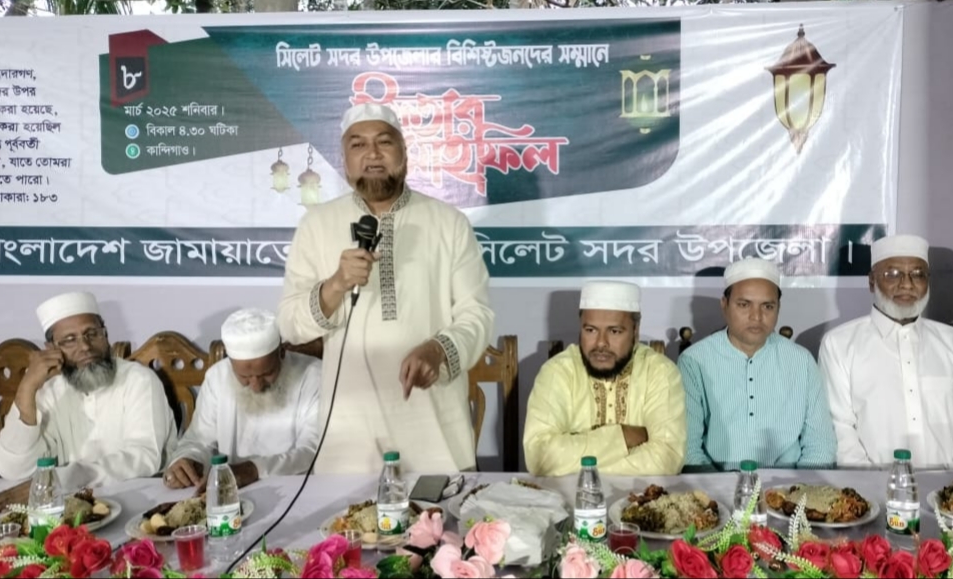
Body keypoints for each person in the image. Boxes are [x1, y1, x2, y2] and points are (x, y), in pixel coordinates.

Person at [278, 103, 494, 474]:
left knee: (441, 513)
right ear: (345, 162)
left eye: (384, 142)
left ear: (404, 153)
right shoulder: (316, 225)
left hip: (433, 431)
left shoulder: (449, 223)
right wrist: (336, 284)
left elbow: (477, 314)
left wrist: (438, 350)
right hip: (349, 438)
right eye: (358, 145)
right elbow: (290, 325)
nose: (373, 153)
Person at [819, 234, 953, 470]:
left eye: (918, 274)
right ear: (871, 281)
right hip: (870, 488)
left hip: (951, 489)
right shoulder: (839, 344)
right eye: (893, 274)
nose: (907, 284)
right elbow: (839, 429)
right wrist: (870, 485)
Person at [0, 291, 176, 488]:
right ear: (51, 349)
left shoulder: (139, 380)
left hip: (140, 497)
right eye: (69, 339)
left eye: (92, 334)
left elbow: (145, 457)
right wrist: (27, 387)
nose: (85, 346)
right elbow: (12, 469)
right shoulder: (50, 392)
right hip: (68, 502)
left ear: (105, 335)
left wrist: (71, 478)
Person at [679, 258, 836, 472]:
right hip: (715, 485)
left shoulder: (801, 361)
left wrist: (798, 488)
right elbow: (688, 448)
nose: (756, 317)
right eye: (744, 305)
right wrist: (720, 488)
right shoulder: (694, 361)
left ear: (778, 308)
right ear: (724, 305)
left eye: (767, 306)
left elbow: (820, 445)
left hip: (788, 486)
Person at [523, 281, 686, 476]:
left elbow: (667, 459)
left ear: (635, 331)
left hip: (640, 495)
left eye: (614, 331)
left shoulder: (659, 372)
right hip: (568, 495)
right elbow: (540, 457)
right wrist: (622, 437)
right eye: (590, 330)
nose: (601, 343)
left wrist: (577, 463)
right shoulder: (558, 372)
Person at [163, 308, 322, 490]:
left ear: (282, 353)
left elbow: (312, 451)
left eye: (266, 373)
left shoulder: (314, 376)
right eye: (245, 377)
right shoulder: (217, 377)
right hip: (232, 492)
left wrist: (254, 469)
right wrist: (187, 461)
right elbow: (199, 440)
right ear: (231, 362)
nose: (256, 385)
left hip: (297, 489)